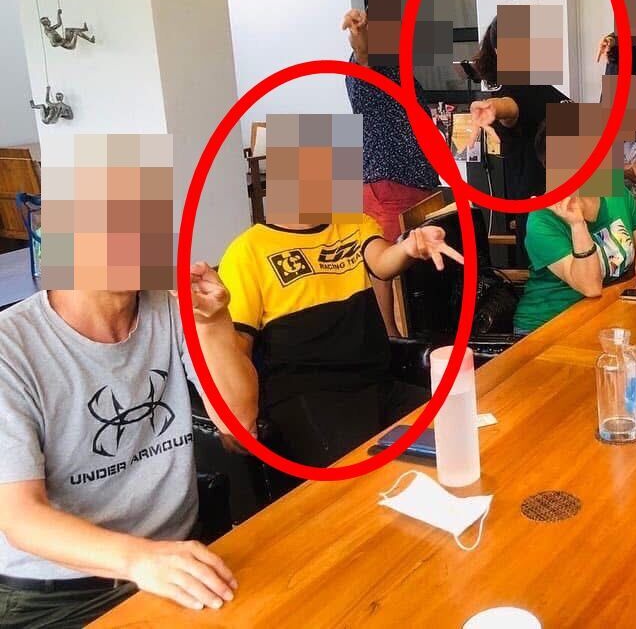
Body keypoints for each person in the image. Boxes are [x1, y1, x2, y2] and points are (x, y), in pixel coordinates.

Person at [0, 268, 258, 624]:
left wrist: (210, 322)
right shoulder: (10, 346)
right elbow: (19, 515)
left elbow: (239, 424)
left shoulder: (173, 306)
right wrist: (140, 560)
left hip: (177, 560)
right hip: (55, 595)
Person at [218, 213, 462, 470]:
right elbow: (236, 348)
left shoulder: (355, 223)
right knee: (373, 478)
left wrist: (409, 247)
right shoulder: (246, 251)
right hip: (308, 398)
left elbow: (383, 261)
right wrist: (233, 411)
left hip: (378, 384)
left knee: (459, 429)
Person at [342, 8, 441, 336]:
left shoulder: (402, 73)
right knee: (386, 265)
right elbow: (363, 55)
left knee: (415, 266)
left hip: (417, 185)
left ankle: (412, 335)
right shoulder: (371, 69)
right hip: (389, 185)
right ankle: (391, 340)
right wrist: (360, 36)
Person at [465, 17, 569, 260]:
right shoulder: (513, 90)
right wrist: (492, 107)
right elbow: (509, 108)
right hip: (541, 213)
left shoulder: (541, 86)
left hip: (568, 204)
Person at [513, 188, 636, 335]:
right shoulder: (542, 218)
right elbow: (590, 288)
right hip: (550, 326)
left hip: (606, 315)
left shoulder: (616, 191)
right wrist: (578, 225)